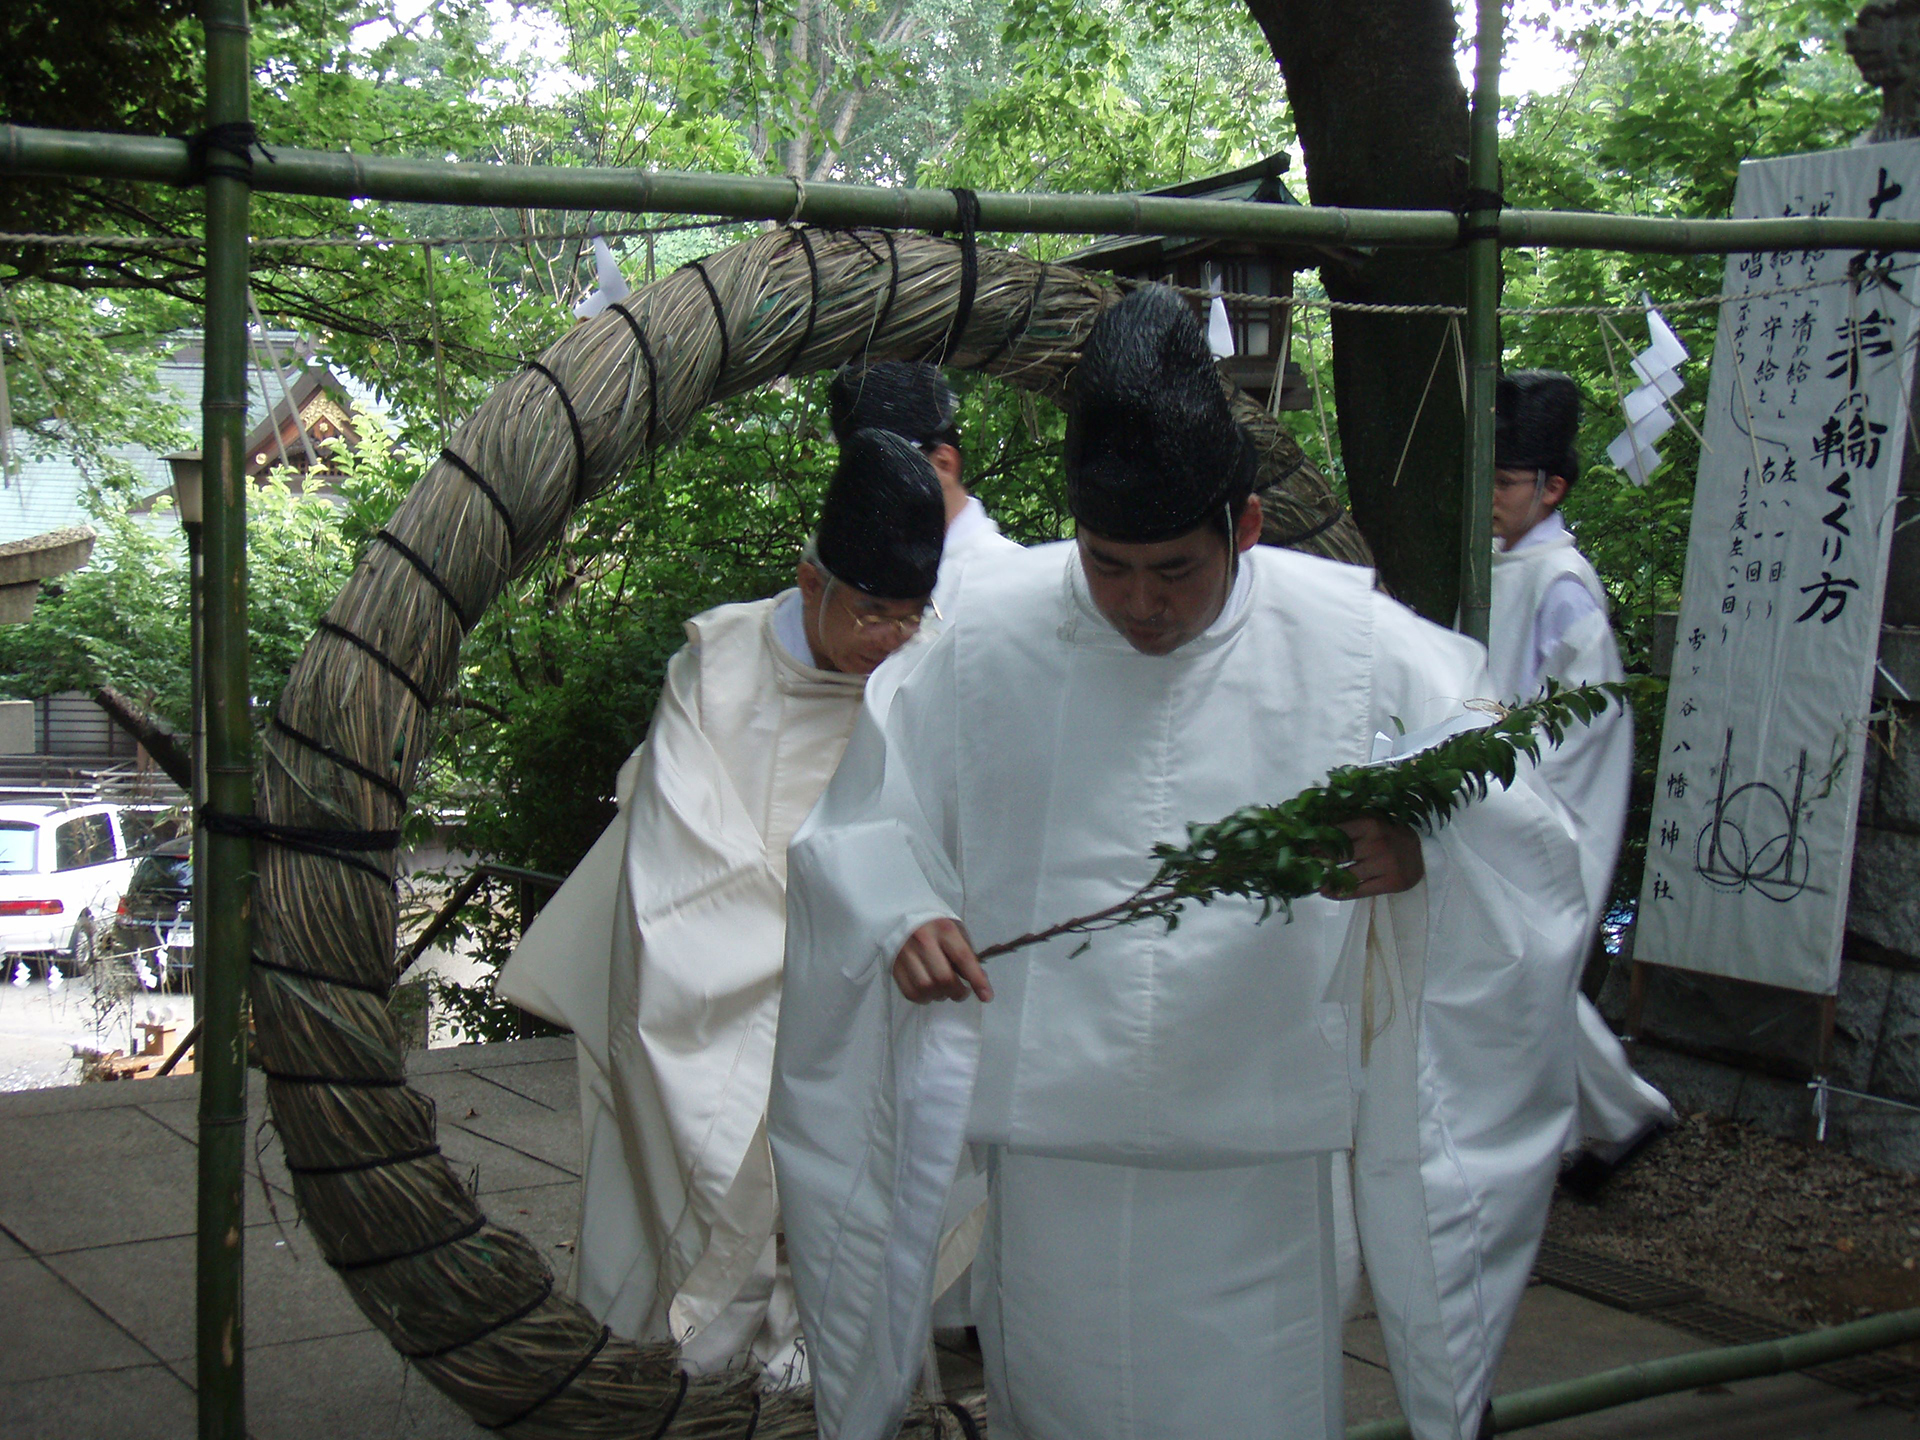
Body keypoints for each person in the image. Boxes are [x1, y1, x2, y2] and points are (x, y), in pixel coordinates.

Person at [770, 286, 1595, 1440]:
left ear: (1245, 527)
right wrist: (903, 908)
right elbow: (862, 825)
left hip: (1256, 1168)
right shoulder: (993, 633)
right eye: (1108, 568)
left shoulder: (1361, 647)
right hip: (1053, 1153)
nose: (1140, 606)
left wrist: (1420, 850)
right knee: (1051, 1401)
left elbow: (1525, 824)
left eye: (1174, 570)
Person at [495, 429, 946, 1379]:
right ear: (811, 581)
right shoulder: (719, 672)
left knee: (857, 1258)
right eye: (872, 612)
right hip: (726, 1017)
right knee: (694, 1256)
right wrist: (846, 937)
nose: (891, 640)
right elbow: (683, 889)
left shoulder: (926, 666)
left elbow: (952, 837)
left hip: (874, 1020)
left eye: (911, 614)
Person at [1489, 370, 1674, 1191]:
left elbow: (1585, 716)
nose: (1489, 497)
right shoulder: (1508, 565)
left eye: (1503, 482)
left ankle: (1616, 1118)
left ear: (1550, 486)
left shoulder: (1563, 584)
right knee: (1514, 968)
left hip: (1536, 800)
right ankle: (1609, 1120)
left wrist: (1508, 786)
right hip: (1493, 786)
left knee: (1523, 965)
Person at [828, 361, 1020, 616]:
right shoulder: (846, 576)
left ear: (944, 463)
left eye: (888, 471)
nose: (871, 491)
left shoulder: (1008, 578)